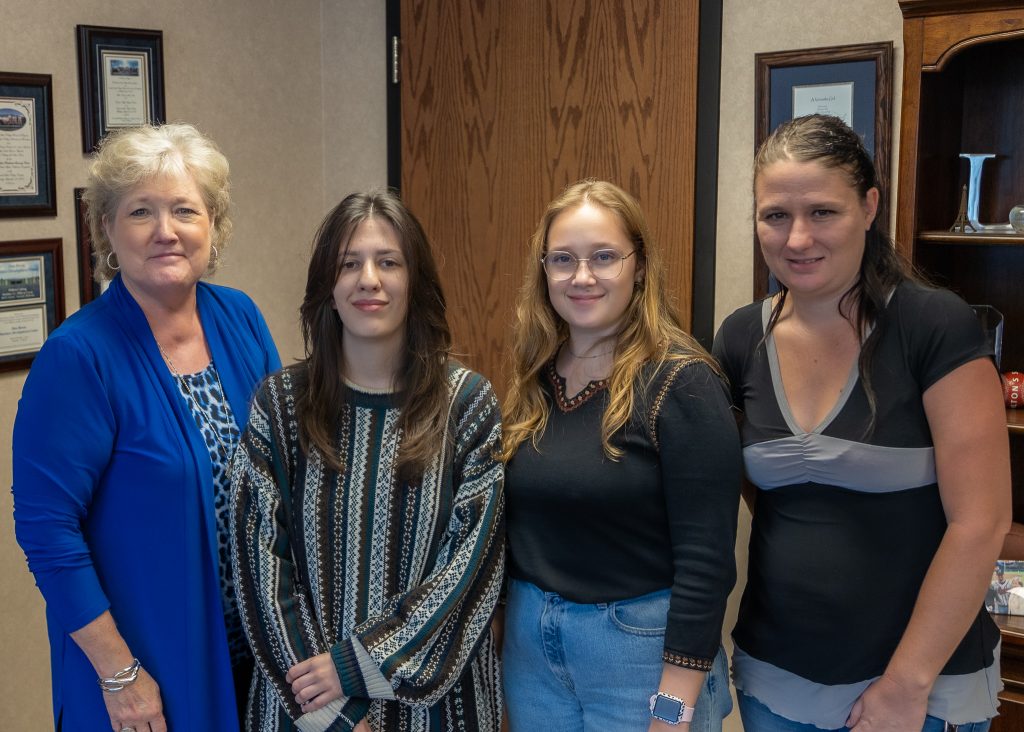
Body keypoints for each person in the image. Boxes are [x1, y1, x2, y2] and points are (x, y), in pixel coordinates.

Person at [713, 114, 1011, 731]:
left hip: (917, 691)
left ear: (869, 206)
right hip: (775, 676)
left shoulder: (936, 327)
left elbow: (981, 522)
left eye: (823, 212)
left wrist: (907, 684)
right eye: (775, 215)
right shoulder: (741, 336)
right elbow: (754, 484)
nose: (797, 239)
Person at [12, 123, 281, 731]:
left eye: (184, 210)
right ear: (106, 227)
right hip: (144, 670)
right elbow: (47, 529)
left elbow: (279, 473)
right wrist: (119, 674)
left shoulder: (239, 317)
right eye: (141, 212)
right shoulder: (79, 357)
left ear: (212, 223)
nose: (166, 232)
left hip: (256, 656)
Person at [230, 190, 505, 732]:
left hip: (439, 710)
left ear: (415, 284)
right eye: (349, 264)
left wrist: (357, 666)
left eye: (388, 262)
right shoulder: (280, 406)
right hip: (307, 708)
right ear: (328, 290)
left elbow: (472, 568)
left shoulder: (467, 404)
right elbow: (261, 567)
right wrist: (334, 710)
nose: (368, 279)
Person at [500, 179, 741, 731]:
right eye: (563, 259)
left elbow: (707, 563)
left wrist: (675, 707)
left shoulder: (682, 381)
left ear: (639, 265)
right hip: (533, 647)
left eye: (603, 257)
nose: (581, 277)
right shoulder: (536, 372)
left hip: (639, 654)